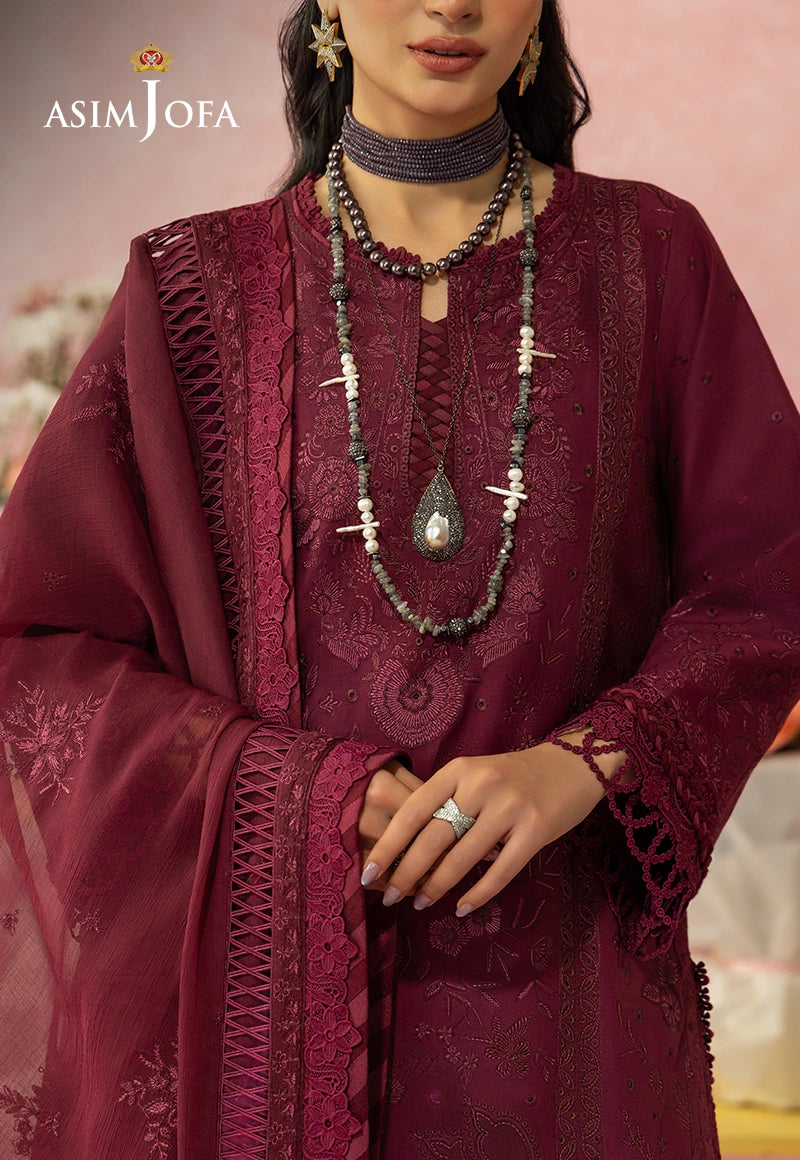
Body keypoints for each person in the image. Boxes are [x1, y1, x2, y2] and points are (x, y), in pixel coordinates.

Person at [1, 1, 798, 1156]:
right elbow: (38, 642)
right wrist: (291, 791)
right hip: (268, 1023)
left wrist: (579, 763)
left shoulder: (651, 258)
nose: (450, 4)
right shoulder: (193, 290)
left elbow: (766, 585)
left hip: (573, 1014)